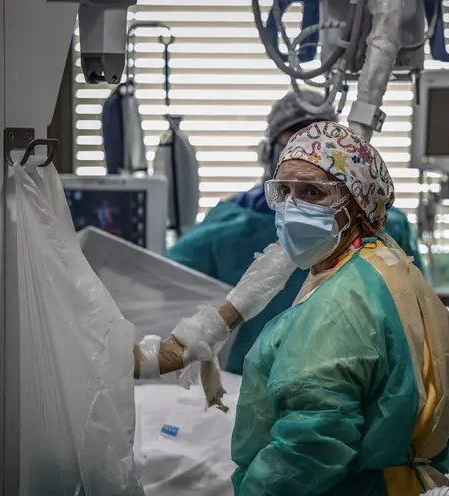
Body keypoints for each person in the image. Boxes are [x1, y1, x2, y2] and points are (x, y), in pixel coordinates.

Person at [218, 121, 449, 496]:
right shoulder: (388, 269)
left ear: (358, 204)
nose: (293, 207)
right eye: (285, 191)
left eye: (312, 193)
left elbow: (311, 441)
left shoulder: (342, 302)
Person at [166, 91, 424, 375]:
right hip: (248, 385)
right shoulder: (231, 224)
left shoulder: (382, 227)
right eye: (293, 145)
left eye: (321, 150)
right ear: (271, 155)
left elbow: (416, 325)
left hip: (353, 384)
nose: (307, 157)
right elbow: (162, 280)